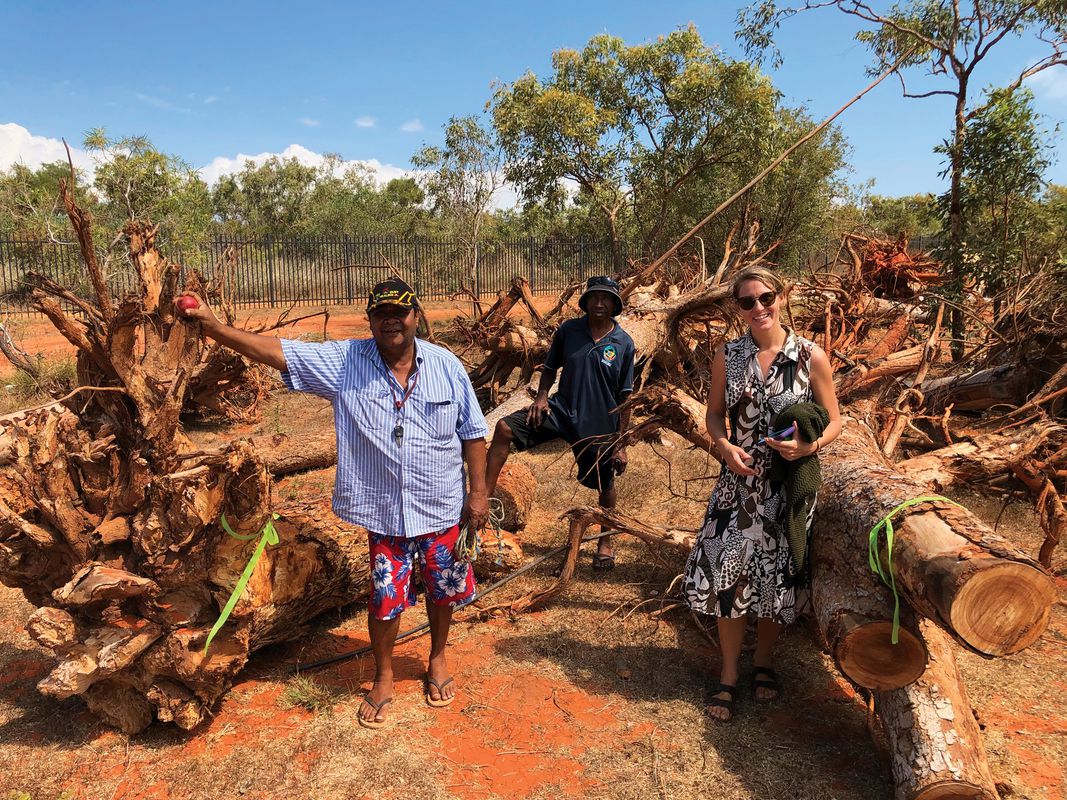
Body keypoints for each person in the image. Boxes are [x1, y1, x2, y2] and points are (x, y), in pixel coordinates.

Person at [174, 278, 489, 729]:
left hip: (440, 505)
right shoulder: (345, 362)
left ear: (416, 316)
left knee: (443, 590)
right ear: (370, 320)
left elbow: (473, 433)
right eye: (381, 313)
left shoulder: (447, 367)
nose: (391, 321)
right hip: (385, 514)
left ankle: (437, 658)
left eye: (400, 312)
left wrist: (477, 494)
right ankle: (382, 677)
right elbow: (278, 351)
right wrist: (213, 327)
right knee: (385, 599)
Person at [681, 266, 841, 722]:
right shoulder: (727, 356)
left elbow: (835, 419)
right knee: (725, 575)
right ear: (737, 308)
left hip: (786, 490)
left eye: (765, 297)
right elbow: (714, 415)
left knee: (777, 579)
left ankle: (764, 664)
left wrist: (809, 445)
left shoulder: (811, 356)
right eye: (747, 302)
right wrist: (723, 445)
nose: (758, 308)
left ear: (781, 296)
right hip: (737, 486)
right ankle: (729, 674)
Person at [484, 275, 635, 570]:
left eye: (606, 298)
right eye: (595, 297)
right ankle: (482, 503)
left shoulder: (623, 343)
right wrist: (541, 397)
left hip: (600, 423)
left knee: (605, 482)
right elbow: (551, 368)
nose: (600, 303)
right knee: (504, 428)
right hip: (562, 411)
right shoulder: (570, 331)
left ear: (615, 304)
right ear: (586, 302)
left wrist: (621, 442)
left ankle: (605, 540)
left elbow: (626, 395)